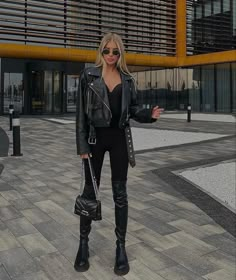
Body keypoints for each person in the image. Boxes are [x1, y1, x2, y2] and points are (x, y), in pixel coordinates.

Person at [75, 32, 163, 276]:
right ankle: (83, 245)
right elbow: (81, 115)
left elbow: (133, 109)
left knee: (120, 194)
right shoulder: (88, 76)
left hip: (120, 141)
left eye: (115, 51)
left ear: (120, 53)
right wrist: (82, 147)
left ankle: (120, 248)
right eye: (107, 51)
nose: (111, 55)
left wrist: (149, 115)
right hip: (94, 140)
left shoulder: (127, 79)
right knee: (90, 193)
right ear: (101, 51)